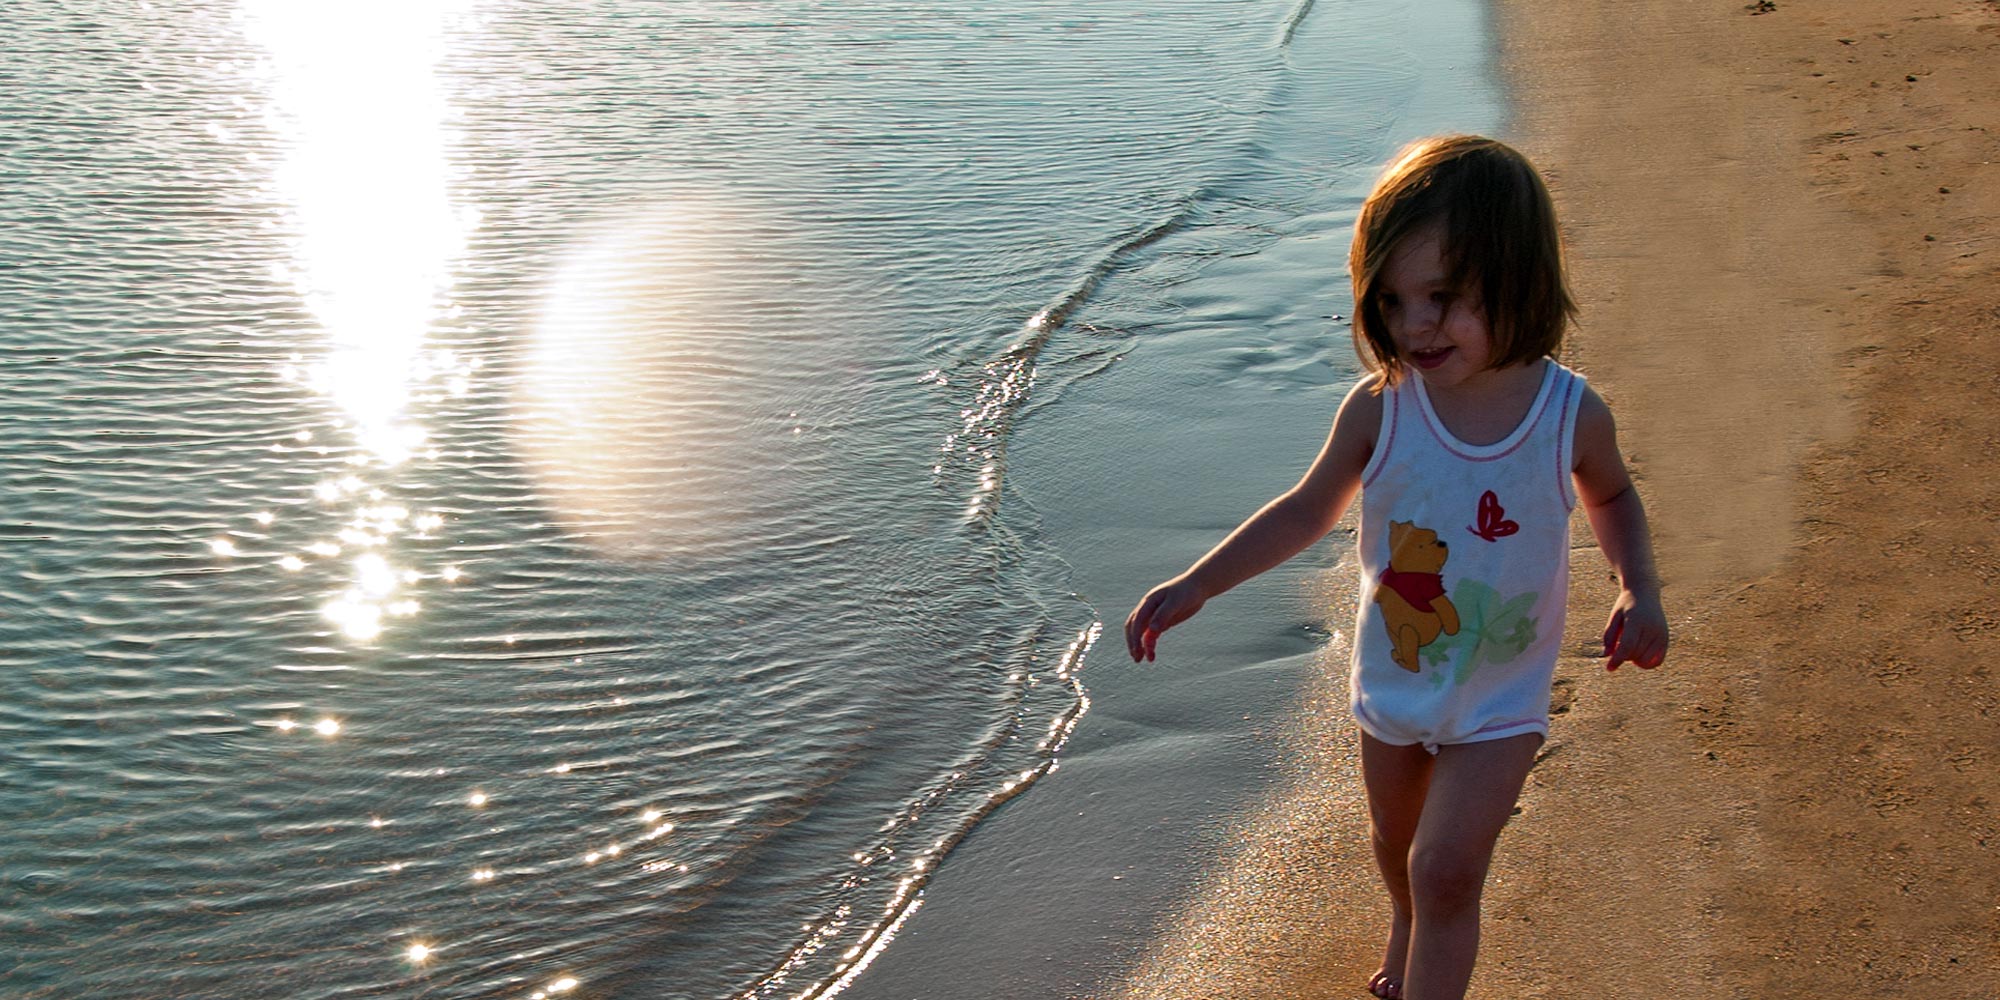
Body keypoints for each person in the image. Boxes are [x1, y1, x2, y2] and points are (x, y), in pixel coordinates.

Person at [1122, 135, 1668, 1000]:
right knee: (1396, 849)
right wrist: (1199, 582)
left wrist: (1639, 585)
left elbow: (1613, 499)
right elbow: (1307, 510)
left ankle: (1428, 934)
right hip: (1395, 678)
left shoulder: (1568, 412)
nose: (1414, 325)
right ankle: (1405, 920)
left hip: (1501, 696)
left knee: (1447, 867)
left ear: (1517, 277)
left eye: (1443, 298)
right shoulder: (1382, 410)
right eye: (1393, 299)